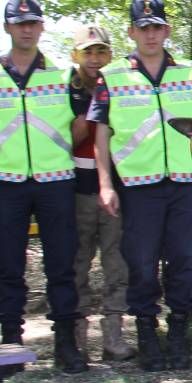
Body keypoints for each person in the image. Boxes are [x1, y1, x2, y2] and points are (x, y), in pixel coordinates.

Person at [91, 0, 192, 371]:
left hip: (185, 183)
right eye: (143, 28)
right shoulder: (111, 78)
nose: (151, 35)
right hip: (138, 186)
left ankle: (177, 334)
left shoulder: (189, 72)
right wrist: (105, 184)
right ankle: (146, 333)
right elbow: (101, 134)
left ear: (167, 31)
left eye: (157, 27)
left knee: (187, 260)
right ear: (131, 32)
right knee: (141, 264)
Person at [0, 0, 85, 371]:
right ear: (7, 28)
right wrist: (6, 151)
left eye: (33, 23)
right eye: (20, 24)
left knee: (62, 264)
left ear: (42, 27)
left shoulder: (64, 74)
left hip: (56, 181)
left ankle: (65, 344)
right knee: (7, 264)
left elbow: (81, 123)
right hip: (7, 181)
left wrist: (57, 147)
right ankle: (9, 343)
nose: (27, 29)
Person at [68, 24, 131, 361]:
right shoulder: (65, 87)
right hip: (76, 188)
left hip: (114, 188)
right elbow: (66, 137)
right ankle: (77, 337)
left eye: (101, 51)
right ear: (75, 55)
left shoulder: (122, 85)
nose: (95, 59)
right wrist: (90, 110)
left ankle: (113, 336)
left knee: (116, 263)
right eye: (87, 52)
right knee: (77, 264)